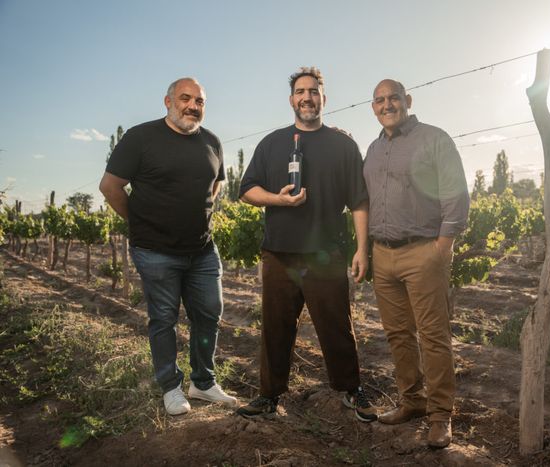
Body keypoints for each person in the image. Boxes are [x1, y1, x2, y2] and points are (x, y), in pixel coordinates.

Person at [236, 67, 376, 423]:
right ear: (291, 100)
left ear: (323, 98)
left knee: (336, 326)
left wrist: (362, 249)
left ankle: (351, 389)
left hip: (326, 253)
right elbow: (247, 190)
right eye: (300, 92)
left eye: (313, 91)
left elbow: (359, 201)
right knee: (275, 327)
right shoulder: (272, 143)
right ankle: (269, 395)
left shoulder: (343, 145)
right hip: (279, 252)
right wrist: (277, 200)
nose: (307, 97)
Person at [99, 77, 237, 416]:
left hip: (202, 250)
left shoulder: (212, 141)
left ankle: (203, 382)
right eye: (185, 98)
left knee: (209, 313)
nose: (192, 106)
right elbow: (110, 186)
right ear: (168, 101)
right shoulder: (141, 138)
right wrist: (139, 222)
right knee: (163, 318)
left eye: (199, 101)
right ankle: (171, 387)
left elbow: (215, 186)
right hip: (155, 250)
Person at [363, 79, 469, 448]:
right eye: (380, 100)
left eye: (393, 98)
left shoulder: (434, 138)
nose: (387, 105)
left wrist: (443, 246)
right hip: (383, 254)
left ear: (407, 100)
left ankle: (440, 415)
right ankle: (412, 402)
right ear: (373, 107)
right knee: (398, 335)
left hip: (423, 250)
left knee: (433, 335)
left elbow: (456, 193)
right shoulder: (373, 149)